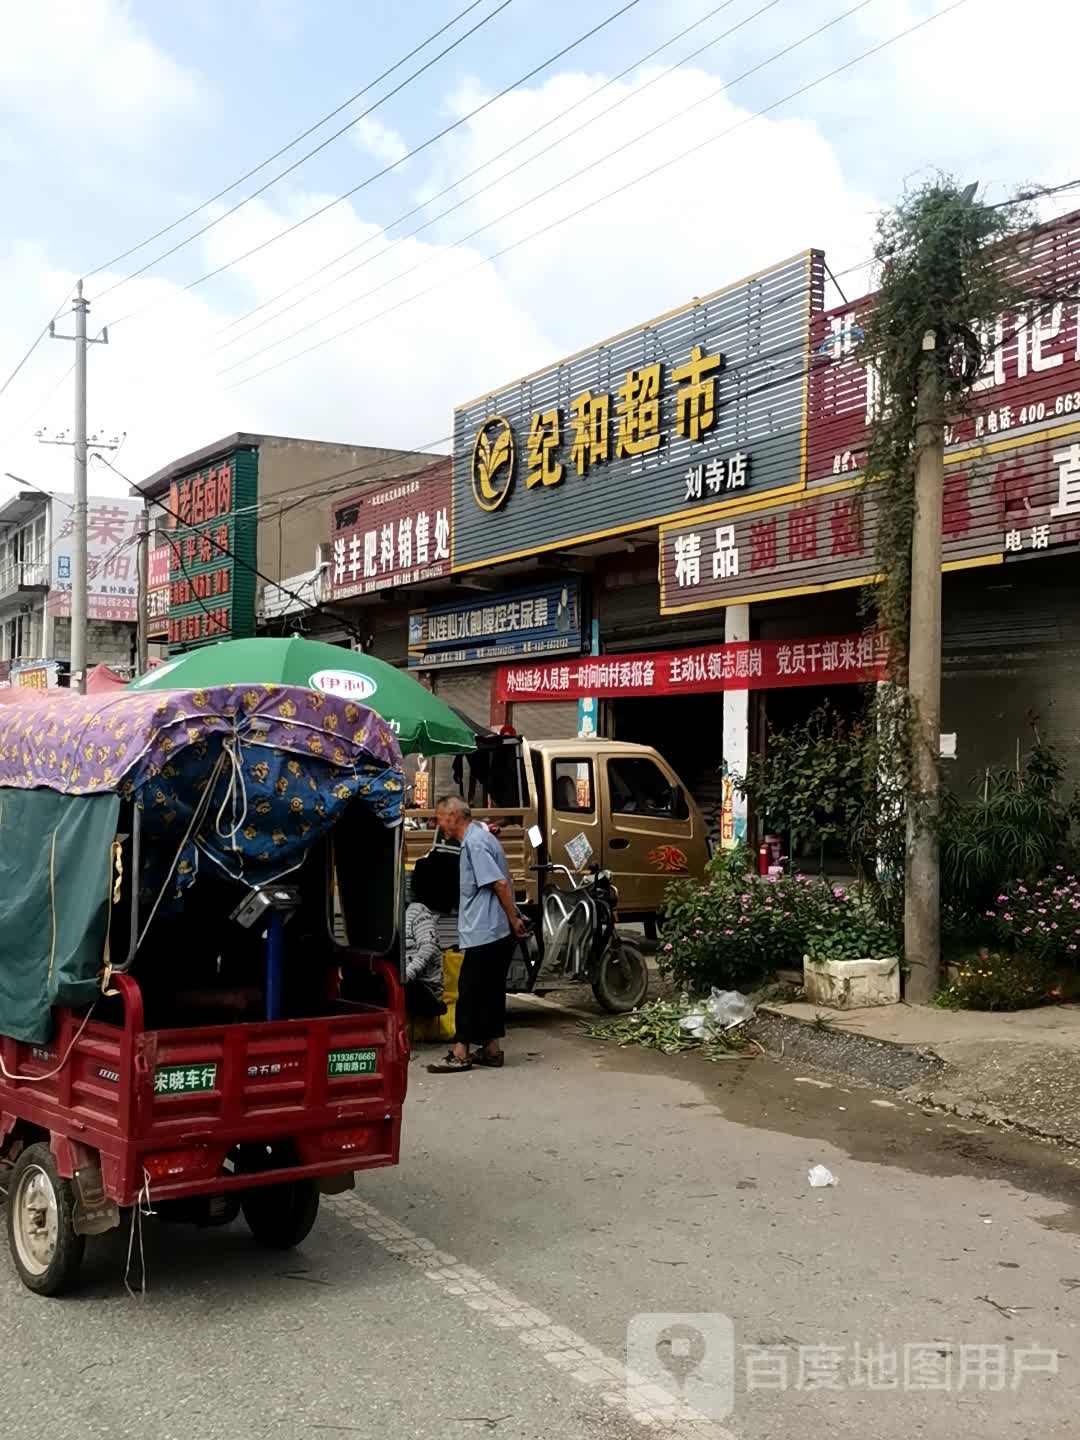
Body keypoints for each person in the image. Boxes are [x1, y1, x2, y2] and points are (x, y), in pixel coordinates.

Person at [427, 794, 526, 1073]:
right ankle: (492, 1049)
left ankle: (461, 1052)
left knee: (469, 991)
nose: (439, 825)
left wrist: (513, 917)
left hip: (486, 930)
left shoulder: (475, 842)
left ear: (454, 816)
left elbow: (500, 884)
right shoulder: (480, 839)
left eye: (440, 818)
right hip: (491, 930)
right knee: (490, 991)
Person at [403, 859, 446, 1020]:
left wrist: (408, 974)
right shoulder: (399, 916)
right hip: (409, 983)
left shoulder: (419, 912)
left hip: (425, 989)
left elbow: (428, 946)